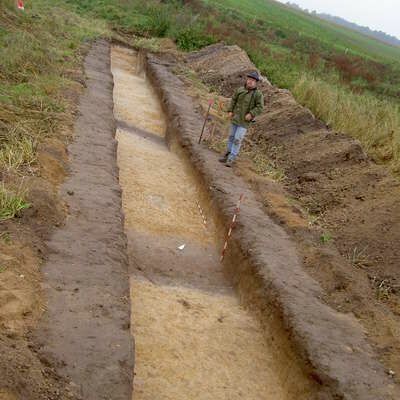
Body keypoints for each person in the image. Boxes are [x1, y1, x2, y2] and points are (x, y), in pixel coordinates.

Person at [219, 71, 264, 167]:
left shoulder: (258, 94)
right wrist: (230, 111)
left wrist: (251, 114)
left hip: (244, 122)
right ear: (247, 80)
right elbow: (233, 100)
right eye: (249, 79)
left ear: (256, 82)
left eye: (253, 80)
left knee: (237, 139)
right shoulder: (240, 90)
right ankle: (227, 154)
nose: (250, 81)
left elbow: (260, 107)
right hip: (235, 118)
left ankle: (231, 158)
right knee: (231, 136)